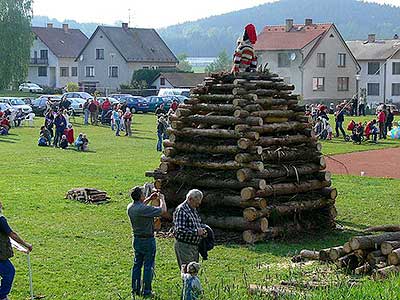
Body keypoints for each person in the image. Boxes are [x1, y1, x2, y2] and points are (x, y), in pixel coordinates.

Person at [127, 186, 167, 298]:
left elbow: (141, 205)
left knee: (137, 265)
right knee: (148, 266)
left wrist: (149, 198)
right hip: (148, 240)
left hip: (137, 239)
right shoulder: (144, 209)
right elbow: (162, 211)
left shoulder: (130, 207)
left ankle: (135, 289)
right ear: (140, 196)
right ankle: (147, 291)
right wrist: (162, 199)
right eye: (143, 194)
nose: (144, 195)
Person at [0, 201, 32, 300]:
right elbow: (12, 234)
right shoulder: (1, 220)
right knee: (9, 272)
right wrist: (26, 244)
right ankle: (2, 296)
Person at [173, 189, 206, 269]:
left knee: (194, 272)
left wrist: (203, 231)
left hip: (194, 247)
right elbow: (179, 230)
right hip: (184, 246)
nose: (198, 205)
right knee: (188, 273)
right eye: (196, 203)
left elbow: (197, 224)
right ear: (190, 199)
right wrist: (196, 232)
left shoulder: (193, 209)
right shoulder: (181, 210)